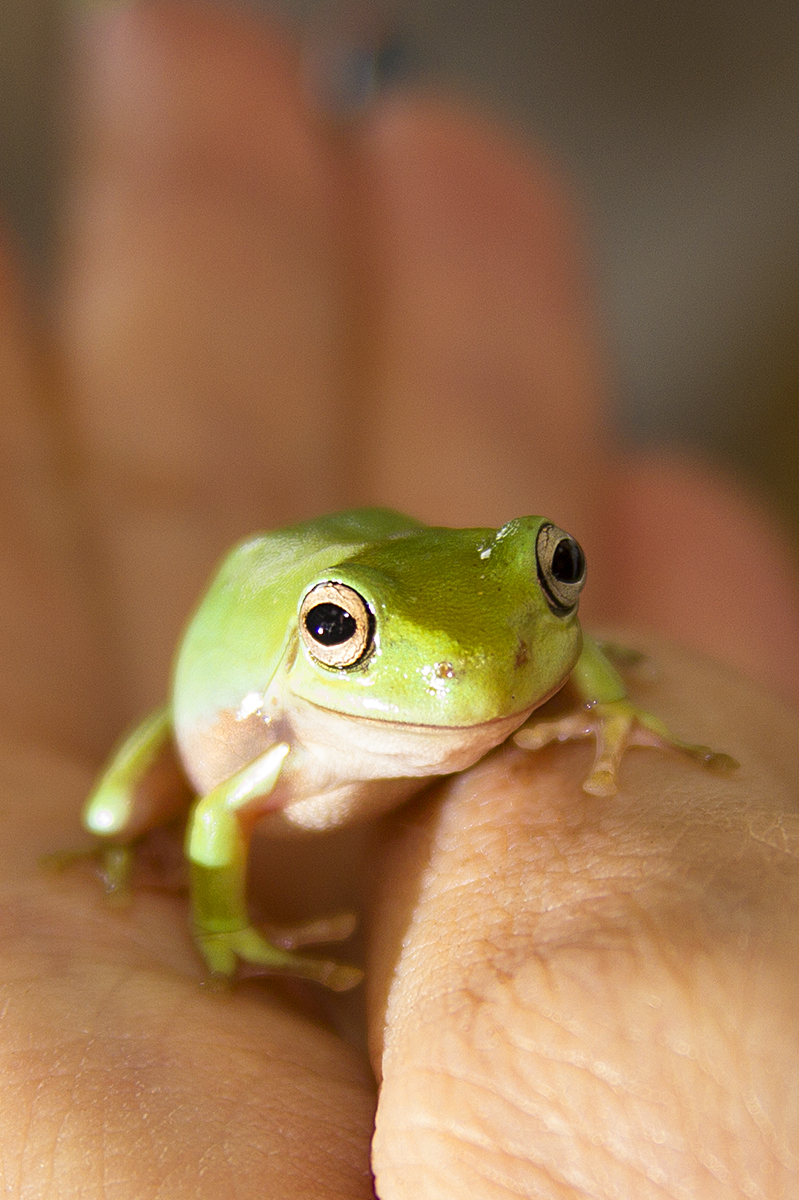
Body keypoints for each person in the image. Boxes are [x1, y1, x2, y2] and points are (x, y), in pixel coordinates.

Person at [0, 1, 797, 1194]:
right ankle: (189, 799)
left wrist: (603, 689)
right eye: (340, 631)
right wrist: (225, 924)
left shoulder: (503, 644)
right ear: (317, 639)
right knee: (126, 818)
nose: (469, 676)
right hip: (255, 713)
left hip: (395, 589)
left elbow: (527, 639)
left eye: (557, 567)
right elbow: (219, 819)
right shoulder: (275, 741)